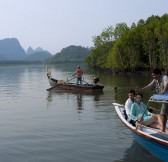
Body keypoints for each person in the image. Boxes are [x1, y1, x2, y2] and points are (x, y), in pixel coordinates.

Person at [141, 68, 168, 132]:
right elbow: (149, 86)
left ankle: (163, 130)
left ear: (158, 74)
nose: (153, 77)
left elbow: (166, 84)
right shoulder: (155, 80)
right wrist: (141, 89)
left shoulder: (164, 77)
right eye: (152, 75)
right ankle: (163, 129)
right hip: (165, 99)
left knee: (163, 114)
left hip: (166, 98)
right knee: (163, 114)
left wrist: (163, 91)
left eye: (154, 75)